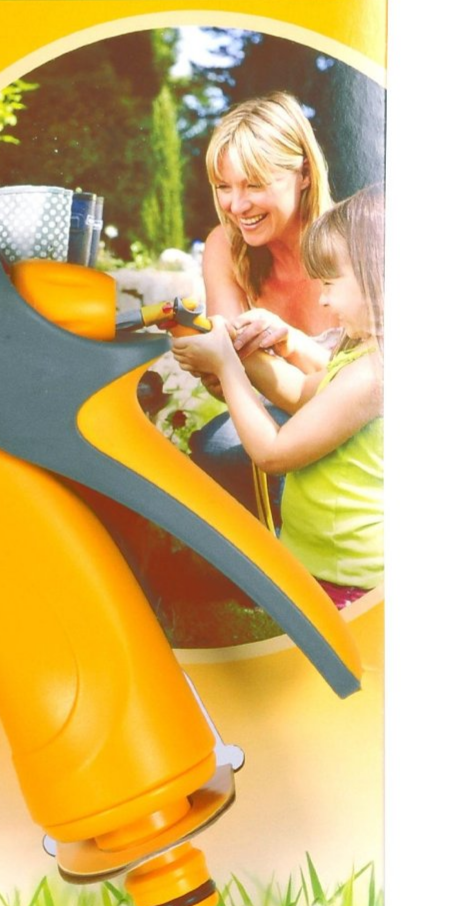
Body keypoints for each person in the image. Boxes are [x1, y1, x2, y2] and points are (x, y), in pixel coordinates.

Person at [173, 185, 383, 606]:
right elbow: (305, 394)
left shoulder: (375, 372)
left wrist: (227, 368)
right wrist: (243, 353)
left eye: (330, 283)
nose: (323, 299)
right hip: (325, 569)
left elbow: (273, 453)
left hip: (348, 583)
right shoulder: (362, 350)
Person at [184, 92, 341, 514]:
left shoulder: (353, 241)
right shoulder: (226, 246)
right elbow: (229, 376)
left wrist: (242, 358)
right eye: (224, 187)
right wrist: (218, 365)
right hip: (274, 421)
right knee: (217, 449)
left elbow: (367, 386)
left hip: (355, 416)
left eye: (254, 184)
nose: (237, 206)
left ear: (303, 174)